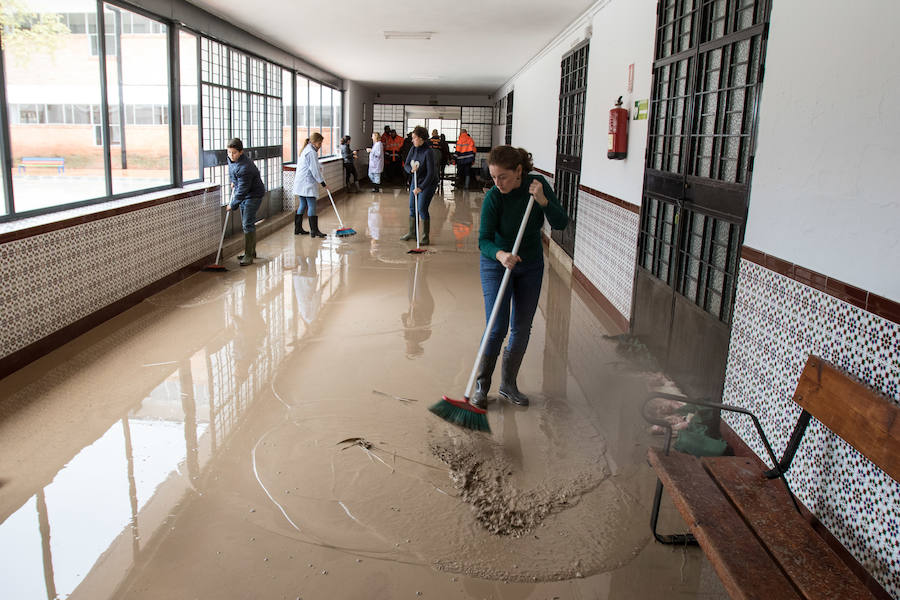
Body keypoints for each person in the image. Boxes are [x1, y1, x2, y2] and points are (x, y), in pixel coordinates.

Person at [469, 145, 568, 409]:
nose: (497, 182)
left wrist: (544, 201)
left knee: (522, 327)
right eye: (493, 176)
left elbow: (561, 223)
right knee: (496, 326)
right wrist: (501, 255)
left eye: (502, 177)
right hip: (496, 263)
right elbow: (483, 240)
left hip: (530, 264)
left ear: (519, 172)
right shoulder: (494, 197)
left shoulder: (538, 186)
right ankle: (481, 385)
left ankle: (508, 384)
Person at [226, 138, 266, 266]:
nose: (231, 156)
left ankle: (249, 255)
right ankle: (251, 251)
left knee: (247, 224)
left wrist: (232, 205)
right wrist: (234, 181)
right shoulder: (233, 160)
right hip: (246, 193)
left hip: (253, 195)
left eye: (234, 153)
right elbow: (234, 172)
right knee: (246, 223)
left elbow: (243, 190)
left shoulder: (246, 167)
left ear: (241, 152)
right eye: (229, 152)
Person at [401, 126, 438, 245]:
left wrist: (421, 188)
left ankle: (425, 237)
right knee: (412, 207)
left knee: (421, 208)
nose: (412, 140)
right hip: (415, 181)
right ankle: (412, 233)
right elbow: (406, 164)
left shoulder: (429, 152)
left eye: (414, 138)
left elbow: (431, 174)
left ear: (421, 138)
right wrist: (410, 170)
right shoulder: (413, 149)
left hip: (428, 183)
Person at [292, 132, 328, 238]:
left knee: (303, 204)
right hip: (306, 183)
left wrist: (319, 167)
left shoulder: (307, 149)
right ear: (314, 142)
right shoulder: (311, 152)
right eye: (319, 143)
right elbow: (314, 170)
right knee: (312, 205)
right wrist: (322, 183)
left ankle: (297, 229)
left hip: (301, 183)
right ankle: (314, 231)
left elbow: (314, 166)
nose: (320, 145)